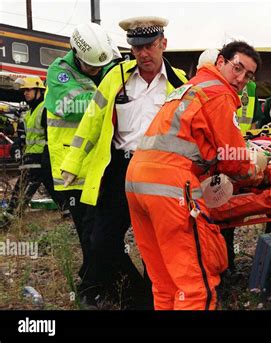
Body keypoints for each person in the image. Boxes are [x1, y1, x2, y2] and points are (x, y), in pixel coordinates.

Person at [125, 41, 266, 310]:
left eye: (248, 75)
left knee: (165, 283)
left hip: (137, 182)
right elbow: (234, 162)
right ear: (221, 62)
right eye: (238, 68)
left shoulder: (187, 88)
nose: (241, 79)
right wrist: (257, 166)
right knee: (195, 286)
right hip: (171, 187)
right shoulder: (218, 94)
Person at [60, 16, 188, 309]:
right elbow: (91, 122)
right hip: (119, 169)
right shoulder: (116, 78)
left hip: (159, 173)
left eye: (150, 46)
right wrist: (72, 164)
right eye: (137, 47)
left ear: (163, 44)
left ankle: (156, 297)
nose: (143, 54)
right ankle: (135, 292)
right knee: (102, 240)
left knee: (156, 242)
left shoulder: (180, 84)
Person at [44, 22, 120, 303]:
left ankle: (94, 280)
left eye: (98, 67)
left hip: (97, 166)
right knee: (90, 233)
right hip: (72, 169)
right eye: (89, 67)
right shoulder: (59, 72)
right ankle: (92, 289)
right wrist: (109, 95)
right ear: (75, 52)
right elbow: (70, 106)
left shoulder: (103, 64)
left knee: (99, 231)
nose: (95, 71)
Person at [2, 77, 64, 223]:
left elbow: (52, 135)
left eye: (28, 90)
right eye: (24, 91)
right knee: (51, 185)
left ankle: (12, 215)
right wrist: (16, 145)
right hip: (31, 156)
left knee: (23, 185)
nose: (25, 93)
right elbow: (24, 136)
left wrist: (47, 156)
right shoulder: (29, 113)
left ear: (39, 90)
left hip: (40, 157)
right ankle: (67, 210)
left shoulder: (45, 109)